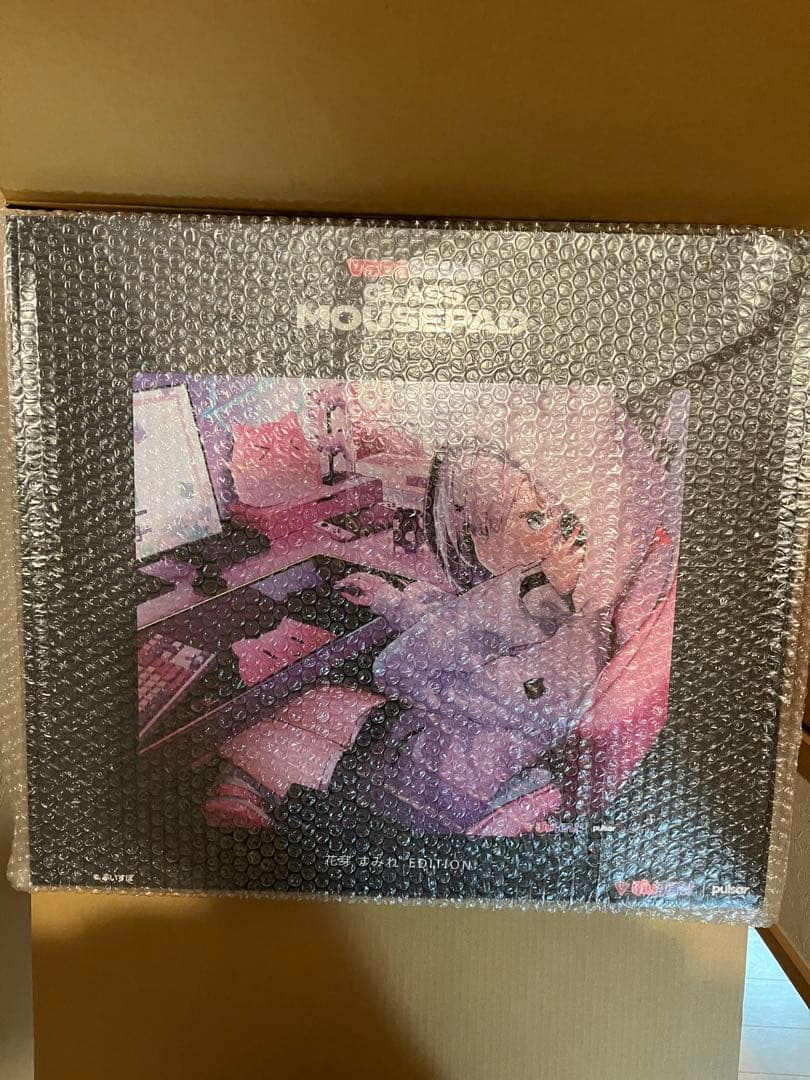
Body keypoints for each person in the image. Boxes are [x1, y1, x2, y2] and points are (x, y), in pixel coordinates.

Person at [336, 388, 684, 836]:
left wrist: (527, 591)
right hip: (416, 762)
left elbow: (401, 667)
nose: (467, 542)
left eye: (544, 515)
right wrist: (392, 600)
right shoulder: (523, 603)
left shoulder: (571, 645)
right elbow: (466, 633)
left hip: (436, 796)